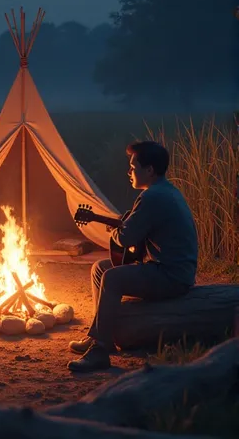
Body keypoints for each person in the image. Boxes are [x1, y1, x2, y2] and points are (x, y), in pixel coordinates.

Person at [68, 140, 198, 372]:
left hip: (171, 275)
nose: (129, 172)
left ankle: (99, 352)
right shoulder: (164, 191)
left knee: (112, 278)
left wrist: (117, 231)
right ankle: (100, 334)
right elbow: (137, 231)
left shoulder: (153, 197)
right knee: (100, 269)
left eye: (133, 166)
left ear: (149, 170)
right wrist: (123, 229)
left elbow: (126, 238)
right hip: (171, 269)